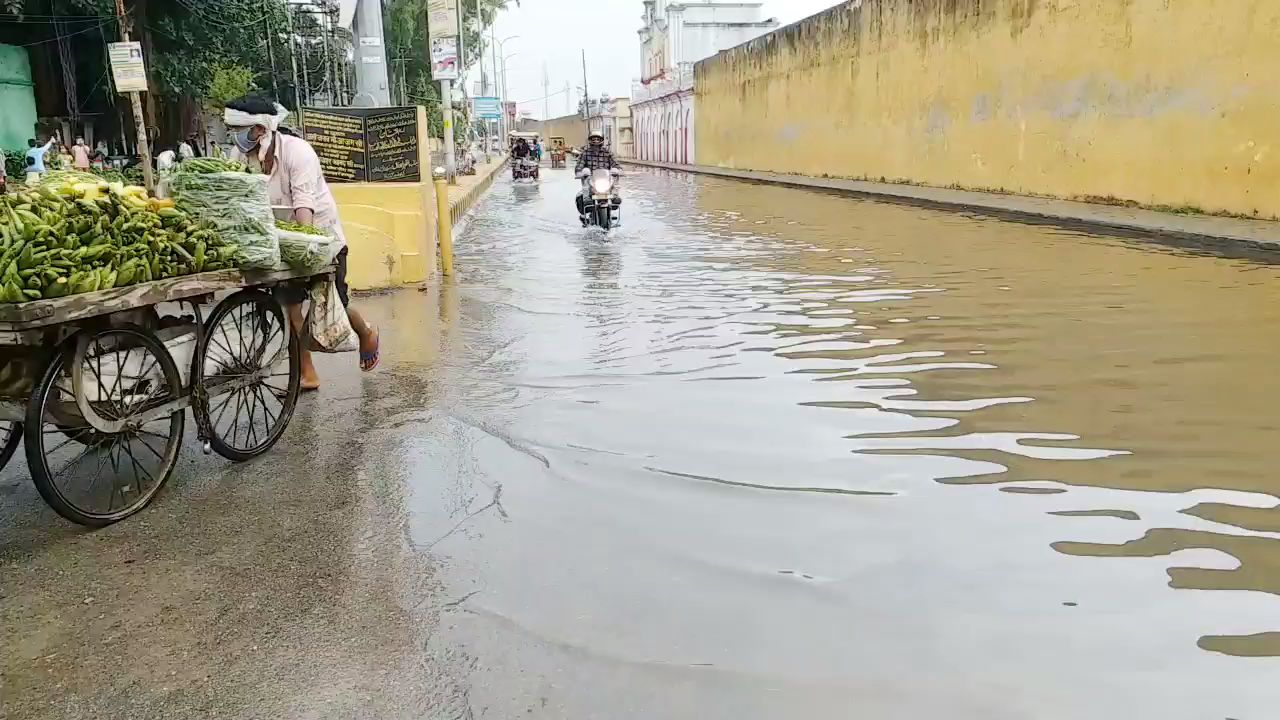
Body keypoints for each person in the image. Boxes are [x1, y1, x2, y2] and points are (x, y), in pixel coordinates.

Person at [224, 95, 381, 389]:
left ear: (260, 129)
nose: (235, 136)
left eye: (239, 129)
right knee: (290, 307)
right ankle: (307, 372)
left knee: (332, 304)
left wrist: (304, 248)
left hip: (321, 239)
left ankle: (365, 332)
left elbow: (303, 205)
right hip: (277, 242)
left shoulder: (298, 152)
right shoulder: (239, 158)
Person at [574, 131, 620, 219]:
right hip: (591, 182)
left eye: (597, 139)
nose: (595, 141)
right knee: (581, 196)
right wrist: (579, 172)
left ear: (601, 140)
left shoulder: (607, 153)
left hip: (604, 181)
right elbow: (579, 165)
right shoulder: (585, 153)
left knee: (615, 183)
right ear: (590, 140)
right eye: (593, 139)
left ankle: (614, 200)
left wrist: (619, 170)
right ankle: (585, 212)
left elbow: (615, 164)